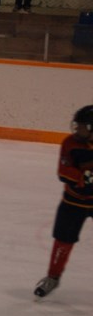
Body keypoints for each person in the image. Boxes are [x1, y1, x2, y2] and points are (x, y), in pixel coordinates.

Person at [35, 106, 93, 299]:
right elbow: (63, 172)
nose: (77, 130)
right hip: (73, 201)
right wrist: (84, 177)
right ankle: (53, 277)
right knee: (63, 240)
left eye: (82, 126)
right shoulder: (70, 144)